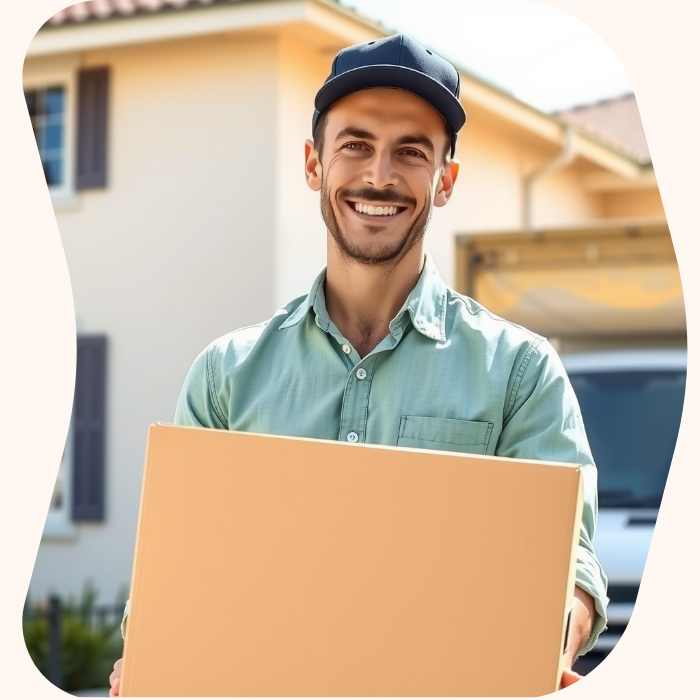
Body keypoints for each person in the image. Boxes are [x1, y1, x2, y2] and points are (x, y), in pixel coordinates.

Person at [109, 34, 607, 696]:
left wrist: (547, 632)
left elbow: (568, 570)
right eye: (356, 145)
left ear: (445, 181)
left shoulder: (519, 372)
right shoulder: (225, 377)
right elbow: (177, 576)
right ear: (314, 164)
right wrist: (151, 656)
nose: (379, 175)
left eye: (411, 152)